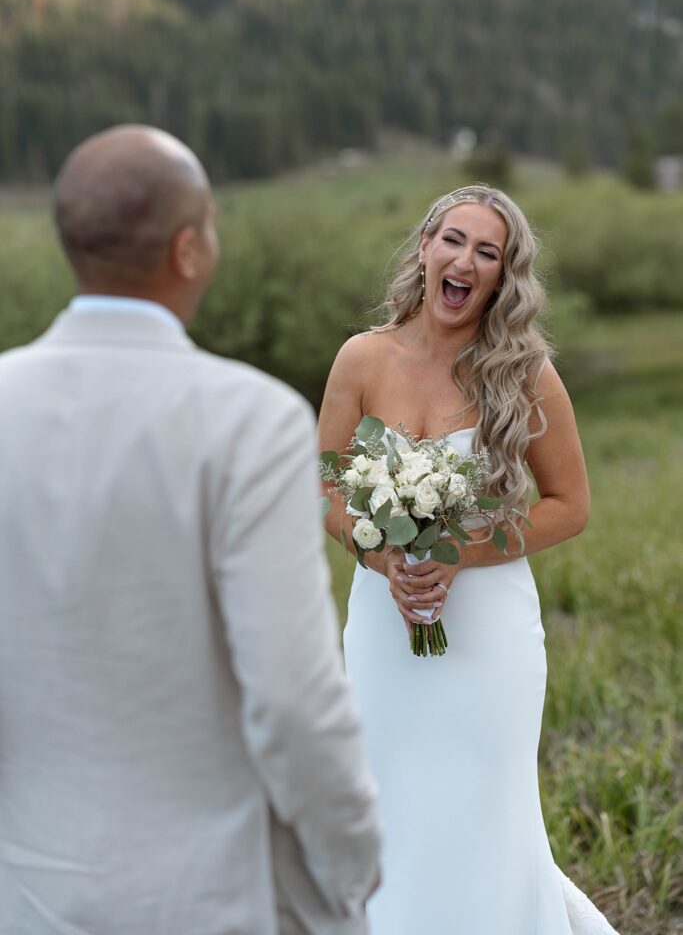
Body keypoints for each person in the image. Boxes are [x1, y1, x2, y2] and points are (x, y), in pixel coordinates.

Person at [0, 125, 381, 935]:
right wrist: (353, 869)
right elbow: (292, 702)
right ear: (188, 250)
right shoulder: (249, 421)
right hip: (212, 897)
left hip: (28, 891)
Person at [318, 185, 619, 935]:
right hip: (384, 628)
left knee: (485, 807)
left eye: (487, 252)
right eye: (453, 240)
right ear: (424, 247)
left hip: (487, 631)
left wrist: (460, 554)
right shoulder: (361, 358)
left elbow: (569, 505)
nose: (465, 261)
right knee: (387, 799)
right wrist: (387, 562)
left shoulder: (524, 374)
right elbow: (325, 489)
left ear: (501, 275)